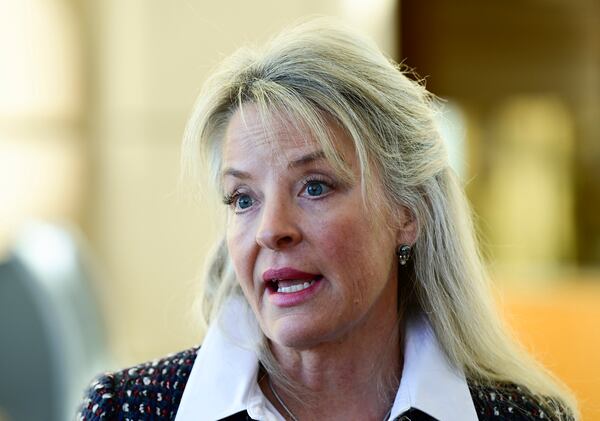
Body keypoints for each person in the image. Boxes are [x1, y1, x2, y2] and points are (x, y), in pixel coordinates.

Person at [78, 18, 579, 421]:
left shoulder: (522, 417)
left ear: (408, 210)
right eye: (242, 199)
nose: (272, 228)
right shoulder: (127, 411)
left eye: (315, 186)